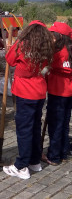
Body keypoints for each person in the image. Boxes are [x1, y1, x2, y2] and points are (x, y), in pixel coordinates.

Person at [3, 20, 54, 180]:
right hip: (39, 92)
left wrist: (15, 43)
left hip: (25, 92)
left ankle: (21, 166)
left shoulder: (22, 44)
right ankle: (34, 161)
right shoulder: (47, 47)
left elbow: (10, 60)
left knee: (24, 130)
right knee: (34, 127)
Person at [42, 22, 72, 165]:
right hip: (68, 94)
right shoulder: (69, 50)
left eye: (53, 35)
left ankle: (53, 156)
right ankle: (63, 153)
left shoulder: (60, 53)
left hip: (58, 93)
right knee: (64, 124)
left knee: (55, 125)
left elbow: (52, 68)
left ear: (60, 36)